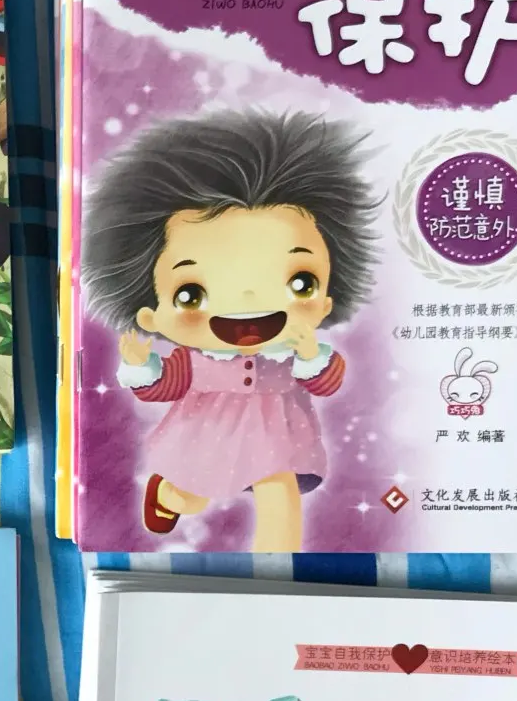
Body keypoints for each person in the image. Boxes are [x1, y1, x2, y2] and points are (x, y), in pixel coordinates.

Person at [82, 110, 377, 552]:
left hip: (277, 435)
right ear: (151, 314)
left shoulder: (292, 348)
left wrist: (311, 356)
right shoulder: (193, 358)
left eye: (300, 283)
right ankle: (168, 494)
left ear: (327, 298)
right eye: (191, 294)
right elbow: (166, 387)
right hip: (207, 433)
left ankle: (276, 573)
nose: (249, 304)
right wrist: (145, 368)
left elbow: (325, 381)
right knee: (194, 496)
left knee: (279, 489)